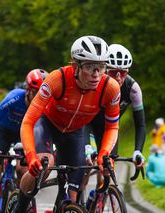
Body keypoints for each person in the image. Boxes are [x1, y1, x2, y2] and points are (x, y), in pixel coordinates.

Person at [16, 35, 121, 212]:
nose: (96, 74)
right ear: (75, 66)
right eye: (89, 66)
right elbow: (28, 121)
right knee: (44, 165)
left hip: (75, 132)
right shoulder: (58, 79)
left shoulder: (110, 88)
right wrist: (31, 155)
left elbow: (112, 126)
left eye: (101, 67)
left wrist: (104, 152)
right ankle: (20, 207)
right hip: (47, 125)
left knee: (71, 196)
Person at [0, 69, 48, 213]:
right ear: (28, 90)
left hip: (23, 135)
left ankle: (18, 199)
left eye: (43, 94)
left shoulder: (44, 106)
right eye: (37, 93)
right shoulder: (15, 97)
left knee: (23, 169)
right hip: (3, 132)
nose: (40, 98)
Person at [89, 43, 146, 166]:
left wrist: (138, 151)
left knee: (108, 166)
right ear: (104, 70)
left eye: (123, 73)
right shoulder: (93, 83)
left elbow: (140, 124)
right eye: (114, 73)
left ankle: (104, 184)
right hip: (89, 125)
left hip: (111, 128)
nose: (118, 78)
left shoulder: (133, 89)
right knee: (86, 163)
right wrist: (88, 147)